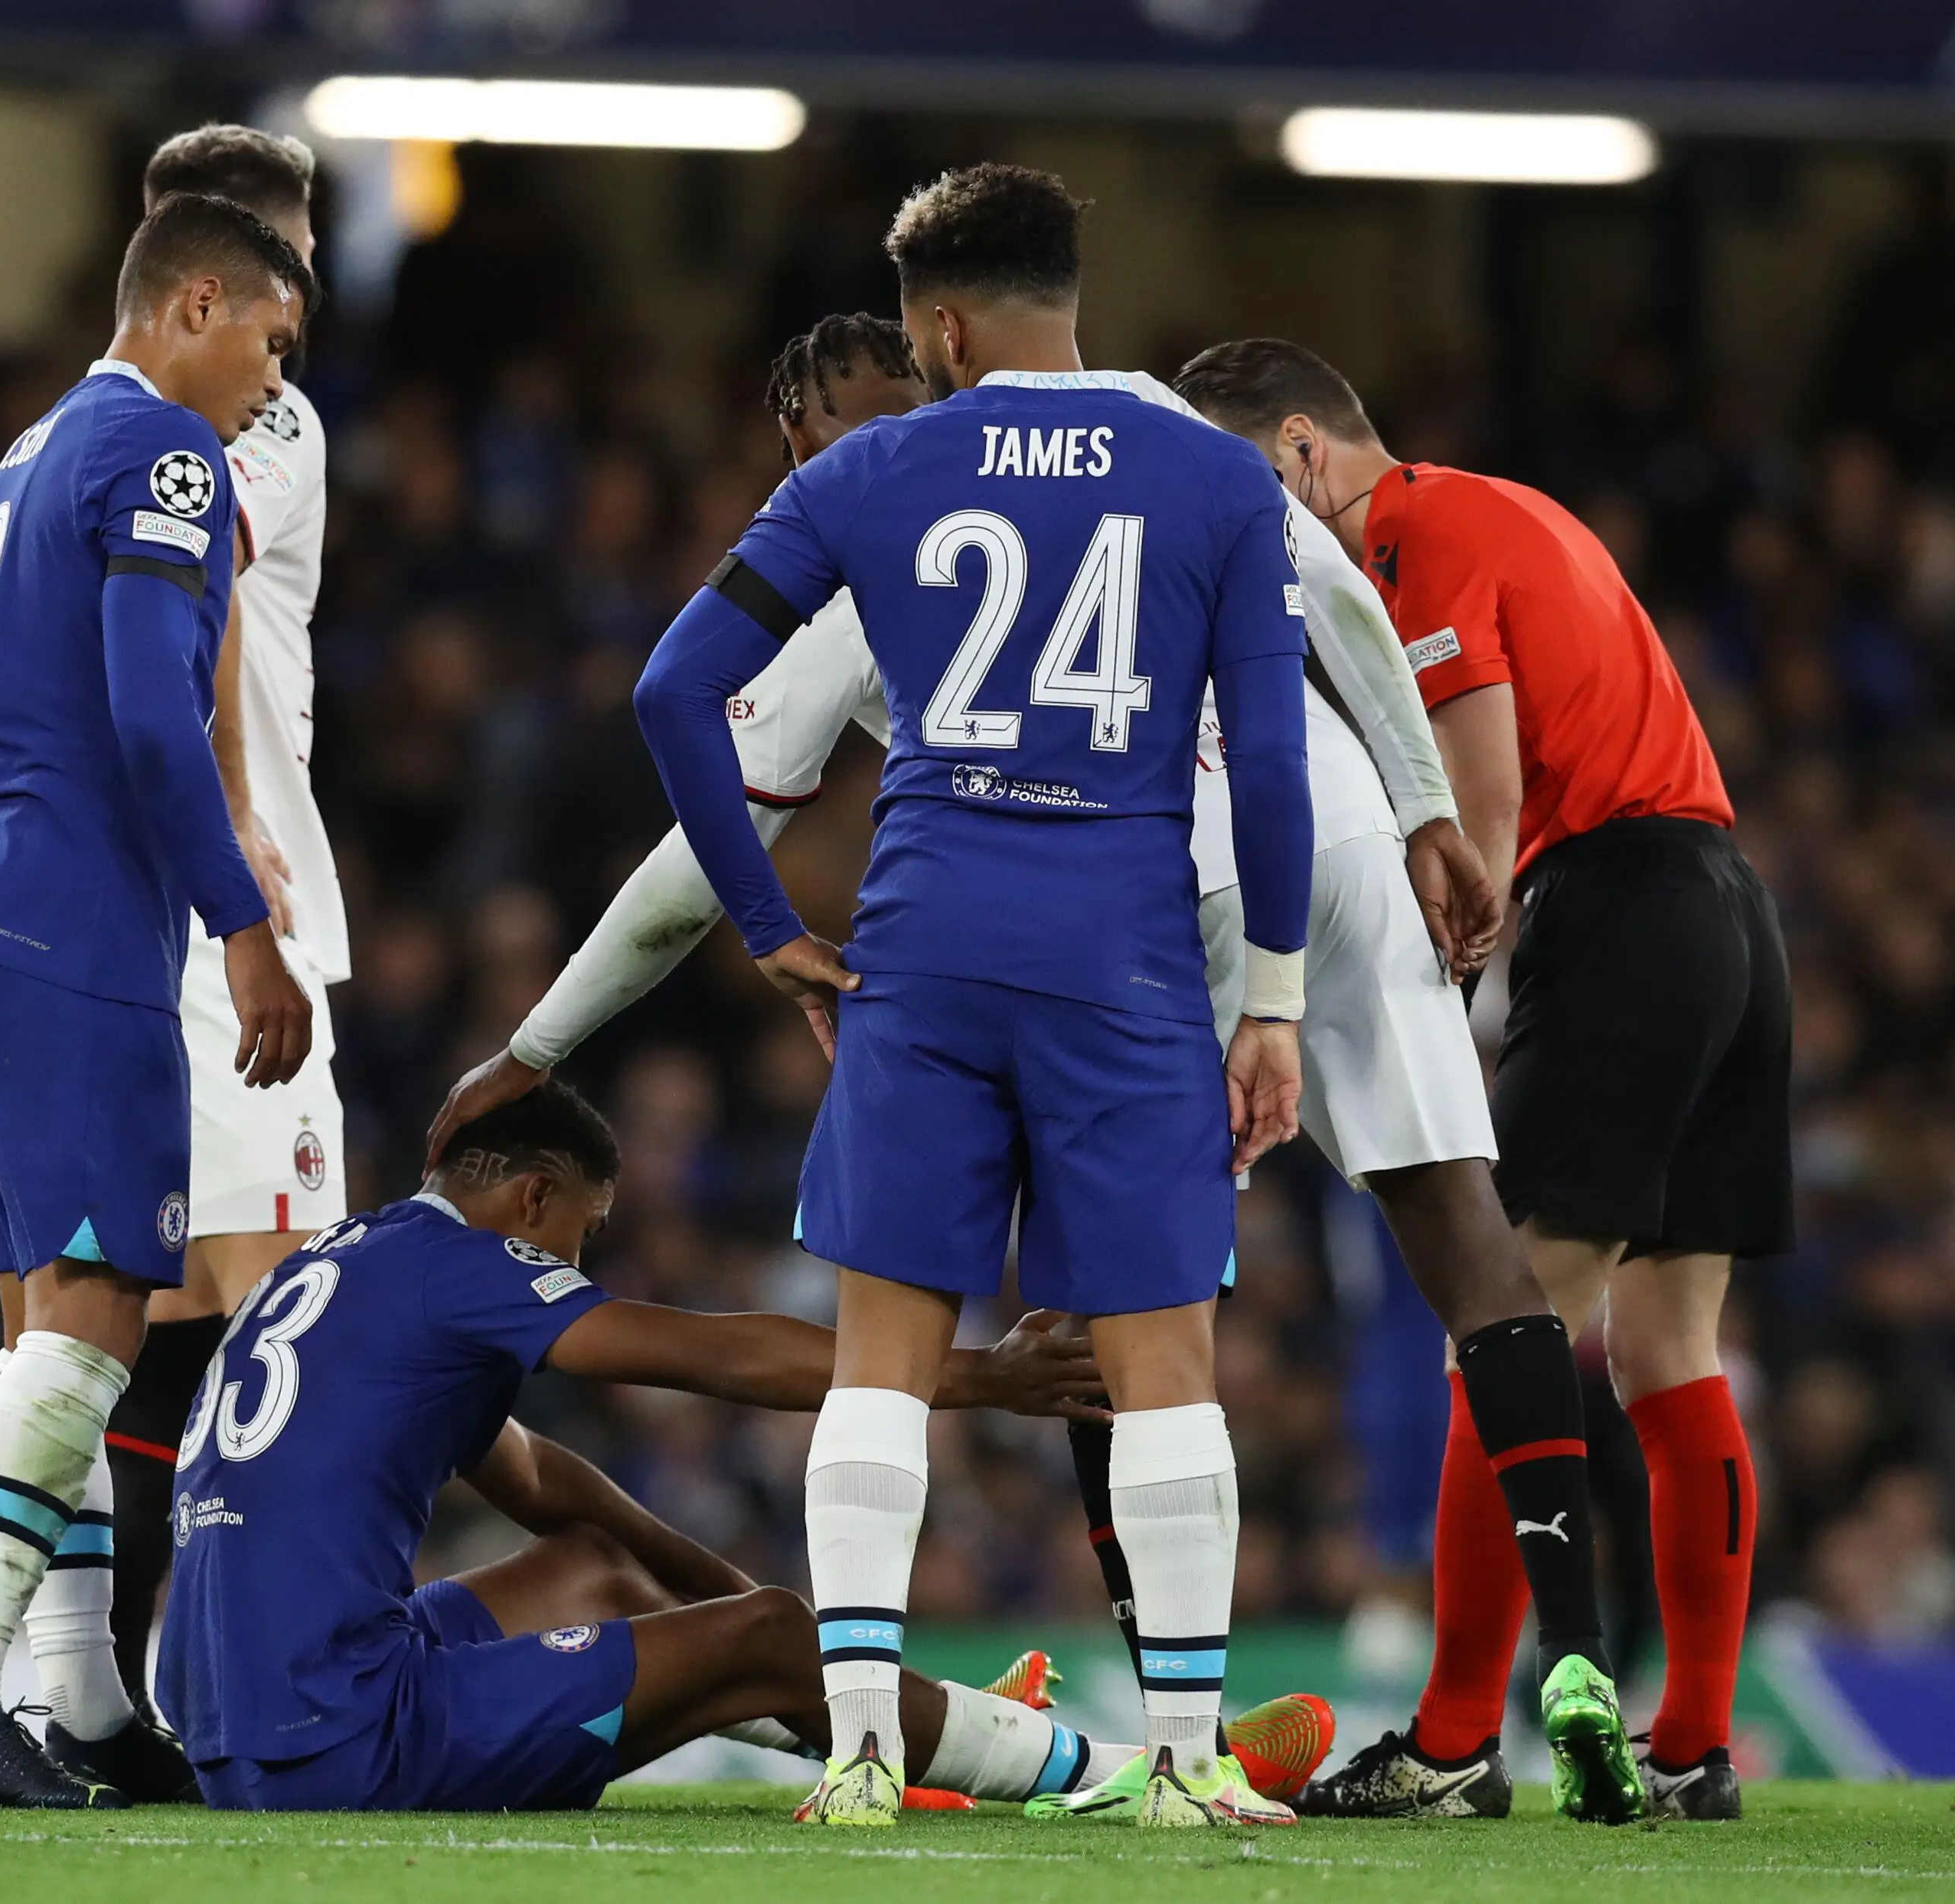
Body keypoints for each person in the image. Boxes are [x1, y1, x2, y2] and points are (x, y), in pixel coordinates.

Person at [434, 313, 1640, 1823]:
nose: (820, 460)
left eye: (821, 432)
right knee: (1474, 1247)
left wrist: (537, 1042)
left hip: (1152, 893)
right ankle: (1563, 1663)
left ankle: (1161, 1714)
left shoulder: (884, 539)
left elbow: (691, 851)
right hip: (1330, 825)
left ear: (906, 387)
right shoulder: (1159, 444)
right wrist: (1420, 812)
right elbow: (1331, 589)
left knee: (1115, 1314)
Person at [632, 163, 1317, 1830]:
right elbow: (1278, 769)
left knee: (884, 1357)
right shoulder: (1214, 482)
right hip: (1126, 955)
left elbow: (676, 689)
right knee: (1162, 1362)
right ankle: (1179, 1763)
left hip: (925, 943)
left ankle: (862, 1751)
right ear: (1066, 296)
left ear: (936, 323)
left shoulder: (877, 465)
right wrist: (1275, 1000)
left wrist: (764, 923)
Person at [1172, 338, 1793, 1823]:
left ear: (1305, 451)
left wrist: (1414, 990)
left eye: (1243, 488)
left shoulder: (1416, 539)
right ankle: (1695, 1740)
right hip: (1726, 908)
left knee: (1502, 1320)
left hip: (1620, 912)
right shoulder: (1509, 506)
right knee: (1671, 1347)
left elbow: (1485, 795)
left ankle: (1455, 1739)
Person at [0, 120, 345, 1732]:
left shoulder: (29, 450)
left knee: (47, 1337)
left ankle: (68, 1697)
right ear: (198, 301)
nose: (272, 383)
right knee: (91, 1330)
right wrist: (243, 924)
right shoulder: (163, 452)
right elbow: (159, 717)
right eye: (268, 343)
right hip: (74, 923)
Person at [158, 1078, 1176, 1813]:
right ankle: (1104, 1769)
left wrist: (753, 1617)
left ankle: (879, 1718)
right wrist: (979, 1378)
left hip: (232, 1725)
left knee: (606, 1575)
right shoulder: (467, 1268)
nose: (575, 1256)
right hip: (340, 1737)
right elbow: (708, 1353)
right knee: (770, 1632)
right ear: (531, 1200)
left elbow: (546, 1483)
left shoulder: (348, 1264)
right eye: (584, 1230)